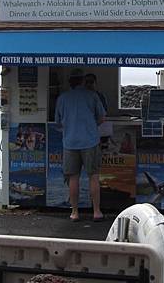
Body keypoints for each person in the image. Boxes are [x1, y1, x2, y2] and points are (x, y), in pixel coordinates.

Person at [55, 68, 106, 222]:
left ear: (70, 81)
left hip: (70, 142)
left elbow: (58, 122)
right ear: (83, 80)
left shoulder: (62, 98)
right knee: (94, 176)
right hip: (90, 141)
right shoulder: (93, 96)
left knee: (73, 178)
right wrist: (91, 125)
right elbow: (102, 117)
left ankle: (75, 212)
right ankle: (96, 212)